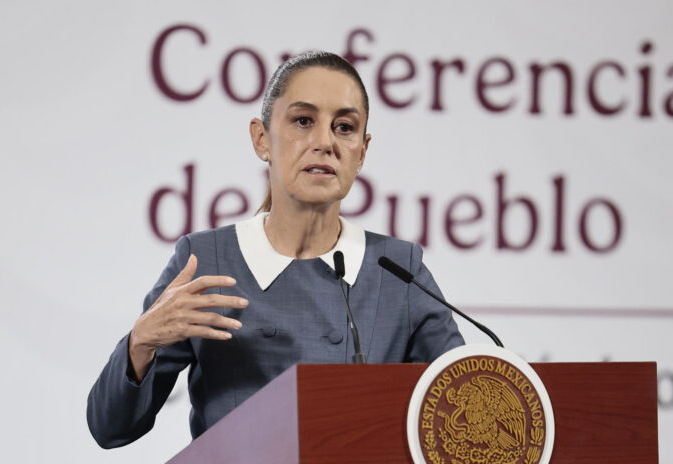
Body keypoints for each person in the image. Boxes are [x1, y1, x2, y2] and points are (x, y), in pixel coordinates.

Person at [87, 51, 464, 449]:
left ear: (362, 152)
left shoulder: (396, 270)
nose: (325, 142)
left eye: (344, 127)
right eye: (303, 121)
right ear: (261, 138)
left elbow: (466, 404)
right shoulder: (206, 259)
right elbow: (110, 429)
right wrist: (141, 343)